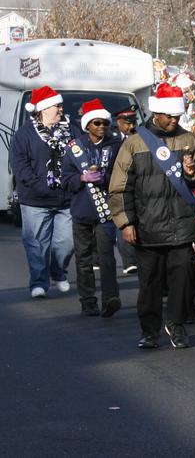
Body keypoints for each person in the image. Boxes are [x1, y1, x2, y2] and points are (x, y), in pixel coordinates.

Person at [109, 83, 195, 349]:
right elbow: (120, 187)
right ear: (157, 113)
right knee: (150, 284)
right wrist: (126, 222)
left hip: (181, 225)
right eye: (169, 116)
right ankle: (150, 331)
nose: (174, 120)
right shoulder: (134, 143)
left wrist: (192, 172)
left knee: (181, 281)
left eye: (177, 116)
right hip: (147, 227)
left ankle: (176, 325)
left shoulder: (190, 140)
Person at [10, 86, 76, 298]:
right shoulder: (24, 135)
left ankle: (58, 272)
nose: (61, 109)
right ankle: (39, 282)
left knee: (66, 242)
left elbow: (82, 156)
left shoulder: (72, 131)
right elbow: (20, 167)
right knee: (37, 244)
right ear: (43, 109)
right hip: (35, 200)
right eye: (57, 105)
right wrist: (40, 186)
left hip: (66, 198)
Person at [61, 99, 122, 317]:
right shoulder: (74, 148)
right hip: (82, 210)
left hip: (106, 211)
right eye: (97, 123)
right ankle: (88, 300)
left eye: (105, 123)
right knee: (83, 257)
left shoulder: (115, 146)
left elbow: (122, 175)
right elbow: (65, 180)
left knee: (106, 256)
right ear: (87, 125)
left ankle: (110, 298)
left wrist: (104, 178)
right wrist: (82, 177)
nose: (102, 127)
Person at [113, 107, 139, 274]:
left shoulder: (140, 138)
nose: (131, 127)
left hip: (136, 185)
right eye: (127, 124)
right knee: (122, 221)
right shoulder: (113, 140)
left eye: (133, 123)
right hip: (117, 186)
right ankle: (129, 260)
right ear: (119, 123)